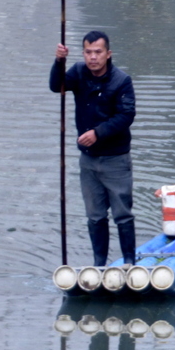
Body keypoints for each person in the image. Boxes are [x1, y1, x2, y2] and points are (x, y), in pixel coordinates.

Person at [50, 31, 137, 268]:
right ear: (83, 53)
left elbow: (126, 115)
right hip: (88, 160)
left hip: (116, 159)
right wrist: (59, 61)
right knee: (95, 216)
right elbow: (56, 86)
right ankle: (99, 263)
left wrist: (98, 132)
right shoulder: (78, 73)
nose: (93, 57)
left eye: (98, 52)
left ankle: (129, 261)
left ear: (108, 54)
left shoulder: (121, 81)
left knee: (122, 214)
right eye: (88, 52)